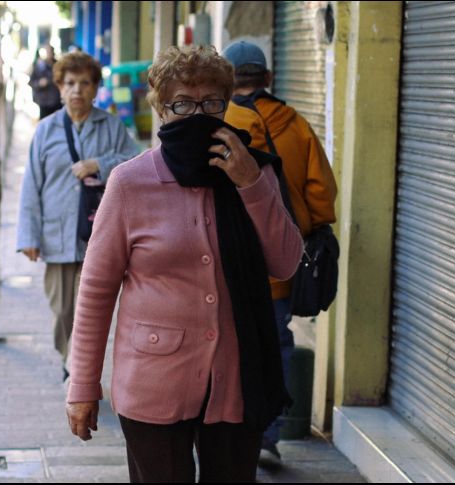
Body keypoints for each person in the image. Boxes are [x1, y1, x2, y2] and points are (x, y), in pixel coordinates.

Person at [65, 45, 304, 483]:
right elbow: (96, 291)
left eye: (211, 102)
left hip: (237, 380)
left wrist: (250, 184)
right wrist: (82, 387)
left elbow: (287, 263)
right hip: (153, 382)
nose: (198, 114)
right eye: (182, 103)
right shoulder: (130, 183)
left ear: (226, 105)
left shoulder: (255, 171)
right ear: (161, 109)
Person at [222, 40, 338, 468]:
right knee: (274, 344)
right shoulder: (297, 125)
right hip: (282, 263)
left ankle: (229, 432)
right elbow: (322, 197)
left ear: (227, 81)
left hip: (229, 262)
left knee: (229, 347)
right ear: (268, 78)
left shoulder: (220, 124)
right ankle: (268, 435)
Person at [17, 51, 140, 381]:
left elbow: (134, 163)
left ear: (96, 88)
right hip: (56, 234)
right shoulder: (45, 131)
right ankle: (68, 356)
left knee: (93, 309)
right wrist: (28, 236)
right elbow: (32, 185)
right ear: (59, 87)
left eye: (85, 83)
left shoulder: (111, 127)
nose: (77, 91)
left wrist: (99, 163)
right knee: (62, 310)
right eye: (70, 83)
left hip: (98, 232)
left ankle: (79, 369)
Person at [29, 45, 63, 120]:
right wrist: (39, 83)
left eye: (50, 52)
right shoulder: (39, 66)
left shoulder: (59, 66)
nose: (49, 54)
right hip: (44, 103)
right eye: (47, 52)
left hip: (57, 102)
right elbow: (31, 82)